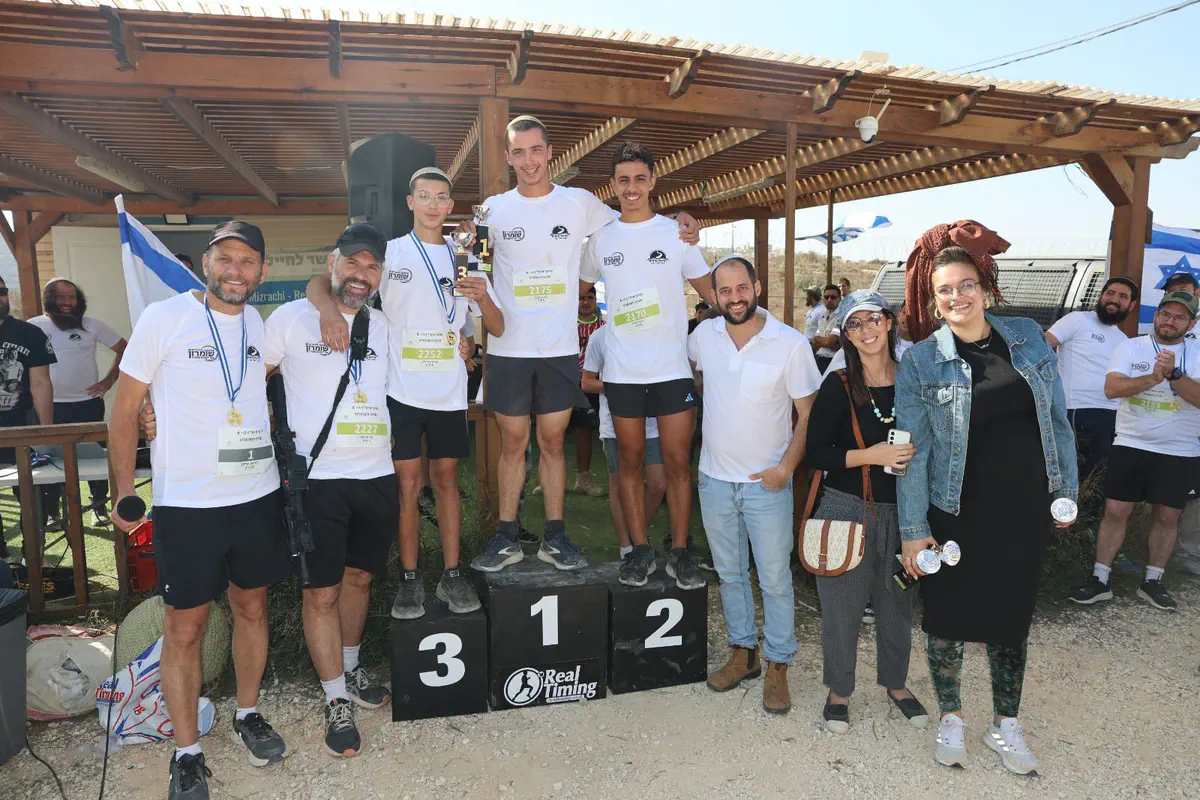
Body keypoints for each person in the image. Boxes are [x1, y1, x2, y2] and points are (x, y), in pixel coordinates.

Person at [456, 115, 697, 573]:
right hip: (507, 349)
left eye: (536, 150)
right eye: (519, 152)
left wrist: (681, 220)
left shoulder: (580, 202)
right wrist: (469, 277)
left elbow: (635, 216)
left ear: (550, 153)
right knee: (513, 443)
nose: (529, 161)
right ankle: (506, 538)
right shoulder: (492, 209)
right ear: (508, 158)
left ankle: (555, 537)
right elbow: (475, 267)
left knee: (552, 443)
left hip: (559, 349)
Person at [110, 221, 292, 800]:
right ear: (207, 264)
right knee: (183, 629)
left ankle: (247, 713)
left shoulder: (259, 324)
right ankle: (187, 752)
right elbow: (124, 409)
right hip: (189, 504)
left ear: (262, 272)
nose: (236, 270)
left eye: (247, 261)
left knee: (252, 608)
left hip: (256, 496)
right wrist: (123, 490)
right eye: (225, 258)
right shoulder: (163, 318)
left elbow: (247, 385)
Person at [896, 222, 1077, 777]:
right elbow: (912, 453)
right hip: (954, 510)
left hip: (1023, 508)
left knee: (1011, 615)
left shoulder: (1026, 336)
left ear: (985, 287)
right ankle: (951, 716)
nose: (957, 297)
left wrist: (1065, 491)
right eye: (945, 290)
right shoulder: (921, 361)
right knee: (946, 617)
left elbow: (1057, 419)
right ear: (934, 299)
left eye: (966, 285)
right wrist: (913, 530)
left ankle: (1006, 723)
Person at [310, 167, 502, 618]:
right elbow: (323, 281)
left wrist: (474, 321)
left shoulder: (466, 253)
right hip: (400, 392)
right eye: (425, 196)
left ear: (450, 206)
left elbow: (492, 324)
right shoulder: (391, 253)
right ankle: (410, 579)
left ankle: (451, 573)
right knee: (408, 486)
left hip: (449, 393)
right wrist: (326, 313)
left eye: (442, 198)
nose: (434, 205)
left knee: (448, 482)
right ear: (410, 202)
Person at [256, 224, 397, 758]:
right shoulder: (290, 319)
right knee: (321, 592)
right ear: (332, 263)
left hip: (375, 474)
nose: (361, 275)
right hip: (317, 480)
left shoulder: (383, 326)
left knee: (359, 578)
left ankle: (351, 668)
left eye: (371, 267)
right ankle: (335, 697)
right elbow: (250, 380)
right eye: (352, 263)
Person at [691, 255, 821, 715]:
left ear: (757, 287)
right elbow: (699, 380)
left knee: (775, 580)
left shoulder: (790, 343)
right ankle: (743, 654)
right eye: (724, 291)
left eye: (741, 288)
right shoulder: (703, 336)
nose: (734, 298)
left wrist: (785, 469)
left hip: (767, 484)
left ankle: (778, 664)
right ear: (714, 295)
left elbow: (808, 414)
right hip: (714, 481)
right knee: (729, 575)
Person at [580, 142, 711, 589]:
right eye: (623, 180)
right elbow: (577, 289)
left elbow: (712, 293)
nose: (631, 188)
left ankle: (680, 552)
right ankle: (638, 551)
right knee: (629, 464)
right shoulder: (601, 239)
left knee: (677, 465)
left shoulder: (676, 234)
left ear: (653, 181)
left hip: (671, 370)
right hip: (622, 373)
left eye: (639, 178)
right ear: (613, 185)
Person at [805, 290, 928, 734]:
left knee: (898, 603)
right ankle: (839, 691)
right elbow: (816, 453)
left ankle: (896, 683)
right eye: (854, 324)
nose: (865, 330)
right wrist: (871, 455)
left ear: (889, 322)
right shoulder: (838, 385)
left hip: (905, 512)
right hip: (845, 508)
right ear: (847, 335)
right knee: (842, 608)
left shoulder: (914, 380)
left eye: (873, 319)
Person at [1068, 291, 1200, 613]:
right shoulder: (1130, 347)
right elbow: (1111, 388)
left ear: (1191, 323)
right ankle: (1100, 578)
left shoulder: (1197, 353)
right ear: (1156, 316)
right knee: (1115, 510)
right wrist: (1151, 378)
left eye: (1179, 317)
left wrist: (1175, 376)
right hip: (1131, 443)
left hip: (1179, 449)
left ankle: (1153, 580)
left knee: (1168, 516)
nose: (1170, 321)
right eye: (1165, 314)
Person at [30, 278, 127, 526]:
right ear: (49, 299)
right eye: (61, 297)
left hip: (87, 404)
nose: (67, 302)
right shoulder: (33, 326)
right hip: (49, 407)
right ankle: (53, 512)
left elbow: (125, 348)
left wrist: (108, 381)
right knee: (52, 458)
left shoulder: (91, 325)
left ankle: (99, 507)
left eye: (72, 297)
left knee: (95, 456)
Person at [580, 323, 666, 558]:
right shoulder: (600, 336)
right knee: (619, 487)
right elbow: (587, 382)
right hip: (615, 424)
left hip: (652, 422)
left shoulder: (655, 331)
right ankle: (628, 547)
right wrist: (623, 389)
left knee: (658, 484)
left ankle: (637, 536)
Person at [1045, 277, 1137, 483]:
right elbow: (1041, 348)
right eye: (1110, 293)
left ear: (1131, 305)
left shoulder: (1124, 341)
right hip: (1078, 411)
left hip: (1115, 417)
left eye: (1123, 297)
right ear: (1101, 296)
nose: (1114, 300)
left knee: (1101, 482)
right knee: (1079, 480)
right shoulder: (1077, 320)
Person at [0, 276, 55, 537]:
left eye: (1, 291)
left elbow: (41, 384)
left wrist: (48, 432)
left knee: (30, 495)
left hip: (20, 424)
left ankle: (33, 553)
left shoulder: (29, 333)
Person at [571, 285, 605, 497]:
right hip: (567, 384)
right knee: (553, 432)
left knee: (586, 431)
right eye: (581, 298)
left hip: (594, 385)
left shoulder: (605, 327)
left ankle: (583, 478)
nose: (585, 302)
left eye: (589, 298)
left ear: (595, 300)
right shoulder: (566, 326)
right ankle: (549, 480)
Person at [806, 284, 842, 373]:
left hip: (833, 362)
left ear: (839, 298)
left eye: (833, 297)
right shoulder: (824, 317)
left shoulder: (841, 317)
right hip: (820, 360)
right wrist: (826, 342)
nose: (829, 300)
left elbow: (830, 341)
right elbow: (814, 342)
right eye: (826, 297)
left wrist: (826, 342)